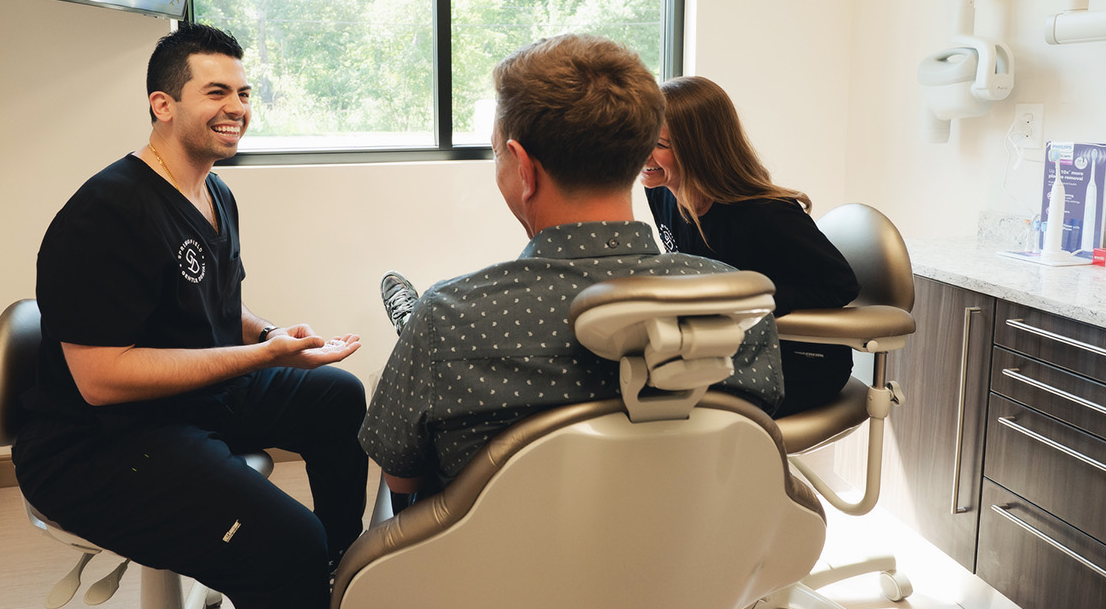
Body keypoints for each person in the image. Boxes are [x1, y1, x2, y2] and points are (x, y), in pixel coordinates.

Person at [10, 23, 368, 609]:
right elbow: (102, 377)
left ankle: (337, 581)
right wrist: (259, 355)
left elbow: (212, 307)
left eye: (243, 92)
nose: (237, 105)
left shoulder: (215, 192)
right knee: (284, 547)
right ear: (162, 104)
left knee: (335, 395)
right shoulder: (106, 212)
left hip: (194, 398)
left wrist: (281, 338)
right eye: (217, 92)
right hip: (97, 443)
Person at [361, 34, 782, 497]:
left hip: (499, 567)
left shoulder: (447, 317)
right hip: (690, 560)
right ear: (640, 153)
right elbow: (753, 451)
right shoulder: (734, 302)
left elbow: (402, 480)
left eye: (497, 153)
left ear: (524, 167)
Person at [641, 75, 860, 416]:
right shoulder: (660, 192)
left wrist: (746, 299)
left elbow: (841, 285)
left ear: (698, 148)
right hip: (731, 349)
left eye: (660, 145)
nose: (644, 154)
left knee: (663, 409)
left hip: (801, 363)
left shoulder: (765, 214)